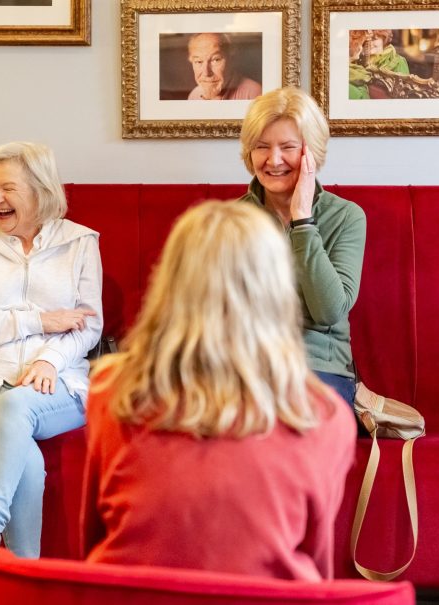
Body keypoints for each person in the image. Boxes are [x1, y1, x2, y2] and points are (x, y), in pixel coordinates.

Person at [81, 201, 356, 580]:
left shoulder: (111, 388)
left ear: (171, 283)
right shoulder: (325, 416)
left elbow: (94, 542)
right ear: (276, 291)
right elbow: (315, 566)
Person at [0, 142, 103, 587]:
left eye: (8, 188)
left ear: (40, 190)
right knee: (26, 462)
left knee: (17, 407)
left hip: (59, 387)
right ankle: (24, 582)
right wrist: (40, 321)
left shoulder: (80, 244)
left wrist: (51, 358)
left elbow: (89, 326)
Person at [238, 87, 366, 405]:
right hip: (245, 365)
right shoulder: (233, 218)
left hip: (318, 368)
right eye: (262, 147)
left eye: (288, 147)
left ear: (311, 153)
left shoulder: (346, 216)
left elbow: (328, 311)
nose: (274, 160)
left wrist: (302, 221)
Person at [186, 33, 262, 100]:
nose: (206, 73)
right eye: (199, 61)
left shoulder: (254, 94)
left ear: (231, 59)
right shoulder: (194, 96)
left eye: (216, 60)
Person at [349, 30, 411, 99]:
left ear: (384, 39)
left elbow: (404, 94)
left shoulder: (398, 61)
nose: (369, 44)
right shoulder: (360, 59)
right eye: (367, 40)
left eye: (374, 39)